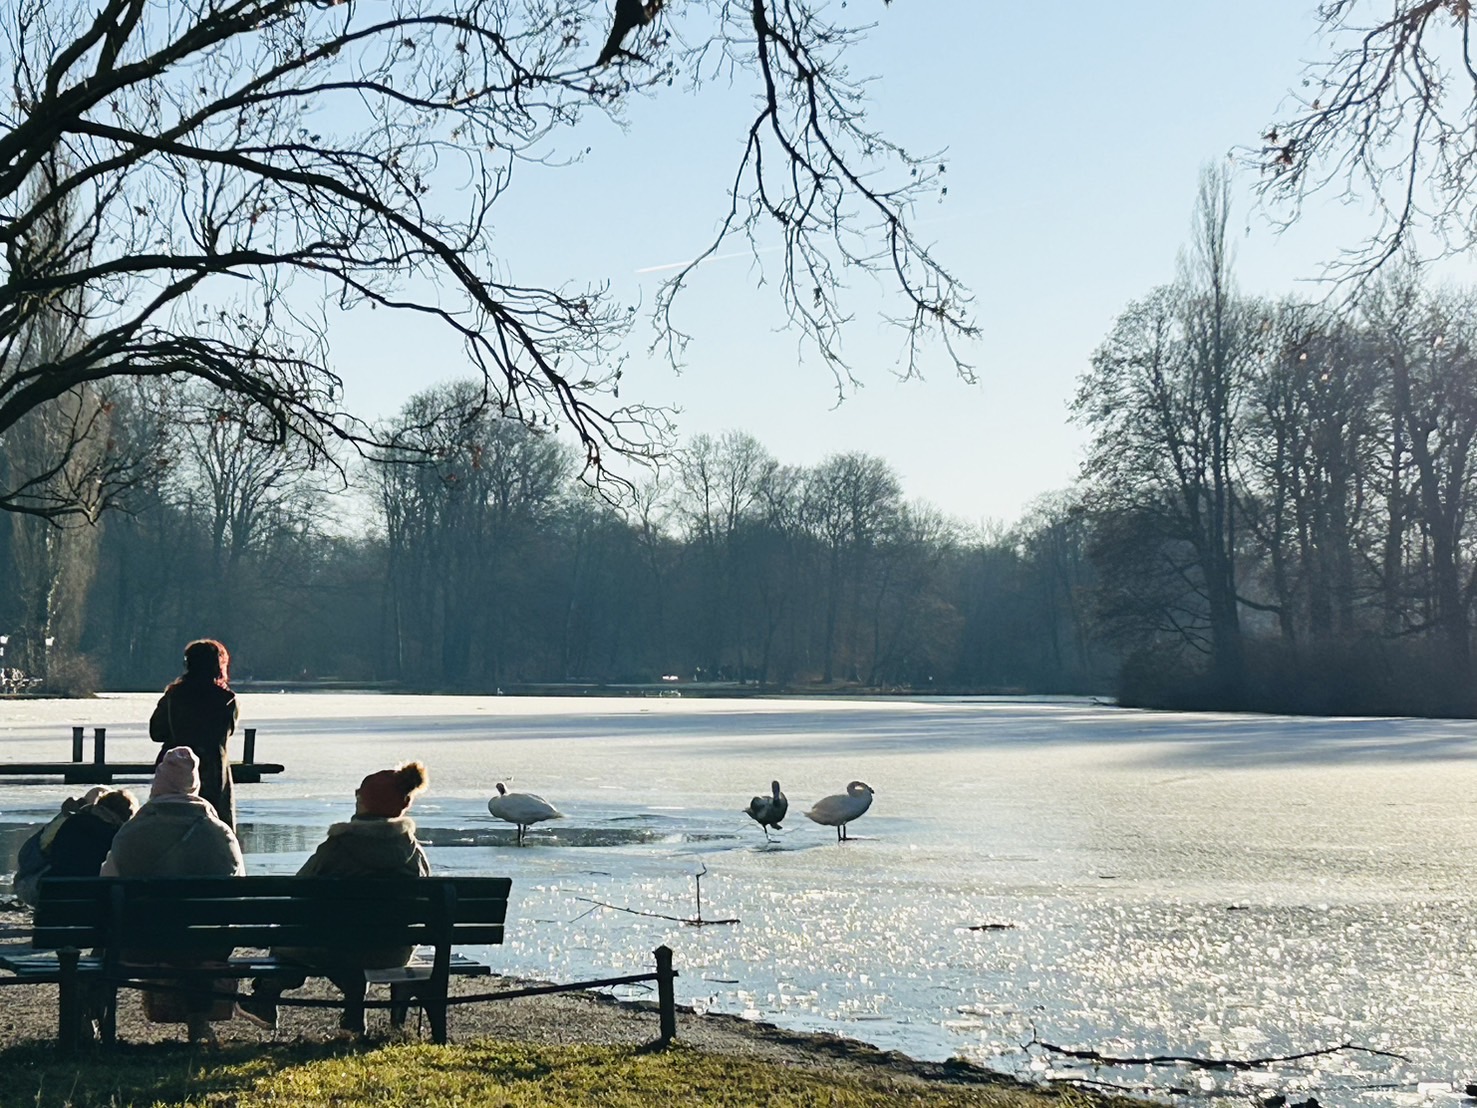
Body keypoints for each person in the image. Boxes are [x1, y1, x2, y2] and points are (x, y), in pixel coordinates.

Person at [236, 761, 430, 1035]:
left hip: (335, 947)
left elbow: (299, 888)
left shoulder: (338, 847)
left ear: (363, 802)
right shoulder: (414, 854)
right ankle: (353, 1012)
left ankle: (266, 996)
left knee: (293, 941)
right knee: (341, 941)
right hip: (394, 951)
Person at [101, 747, 245, 1043]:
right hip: (206, 947)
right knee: (196, 943)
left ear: (158, 783)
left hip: (139, 947)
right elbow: (237, 891)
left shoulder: (132, 831)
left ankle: (94, 1021)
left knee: (105, 945)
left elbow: (106, 885)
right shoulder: (219, 833)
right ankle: (197, 1022)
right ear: (195, 785)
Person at [150, 639, 239, 830]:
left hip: (174, 769)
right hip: (212, 772)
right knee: (214, 829)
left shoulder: (173, 696)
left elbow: (156, 732)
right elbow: (226, 733)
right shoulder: (227, 700)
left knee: (169, 827)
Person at [13, 788, 137, 906]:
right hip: (94, 901)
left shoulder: (71, 823)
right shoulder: (118, 837)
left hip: (54, 894)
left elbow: (47, 856)